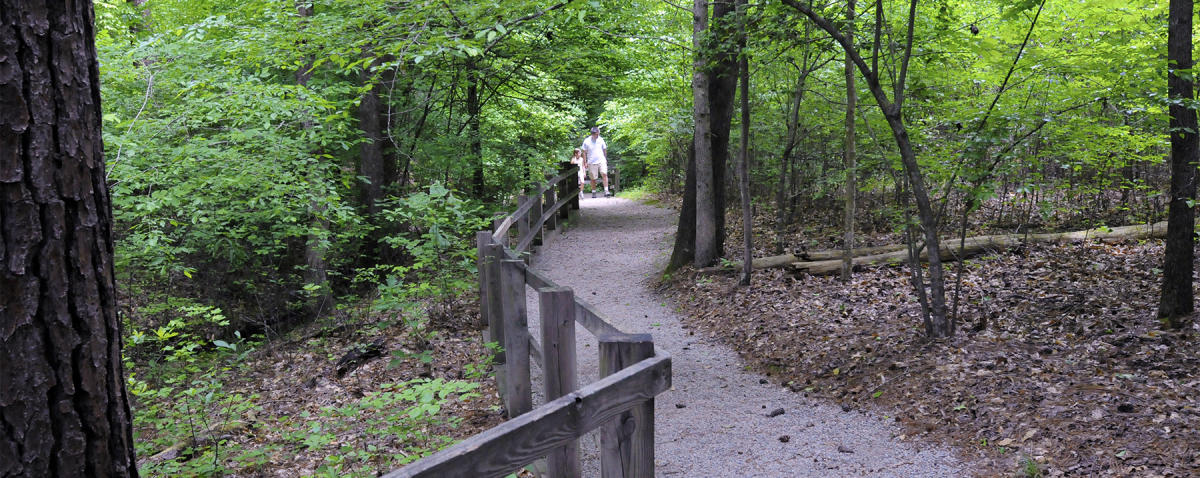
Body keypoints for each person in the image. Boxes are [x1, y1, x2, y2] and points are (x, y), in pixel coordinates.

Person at [580, 126, 611, 197]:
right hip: (591, 161)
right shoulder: (586, 141)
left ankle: (606, 191)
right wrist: (585, 162)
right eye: (596, 134)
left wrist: (605, 158)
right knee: (593, 178)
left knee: (604, 174)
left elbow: (604, 149)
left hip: (601, 160)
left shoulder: (601, 140)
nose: (597, 135)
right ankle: (593, 192)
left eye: (598, 134)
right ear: (592, 134)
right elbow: (584, 152)